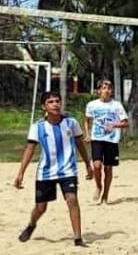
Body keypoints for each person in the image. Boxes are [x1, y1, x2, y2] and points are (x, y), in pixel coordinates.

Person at [14, 92, 93, 246]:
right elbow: (29, 149)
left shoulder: (71, 123)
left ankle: (78, 238)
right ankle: (31, 225)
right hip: (46, 172)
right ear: (44, 106)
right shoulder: (38, 127)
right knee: (41, 207)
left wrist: (87, 164)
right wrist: (21, 173)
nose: (55, 104)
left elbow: (80, 145)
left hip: (68, 170)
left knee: (72, 199)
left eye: (57, 101)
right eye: (51, 102)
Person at [84, 79, 129, 204]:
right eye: (104, 88)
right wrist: (87, 134)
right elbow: (87, 120)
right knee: (97, 165)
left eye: (109, 88)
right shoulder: (92, 105)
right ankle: (98, 186)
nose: (107, 91)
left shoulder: (117, 105)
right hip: (97, 138)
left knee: (108, 168)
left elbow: (126, 123)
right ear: (99, 91)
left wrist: (114, 125)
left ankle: (106, 194)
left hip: (111, 140)